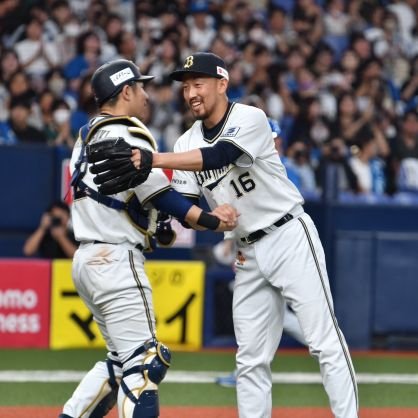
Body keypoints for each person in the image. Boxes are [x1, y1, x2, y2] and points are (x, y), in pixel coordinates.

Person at [121, 52, 359, 418]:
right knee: (249, 360)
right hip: (247, 251)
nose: (191, 93)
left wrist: (152, 159)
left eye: (198, 84)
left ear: (221, 84)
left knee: (324, 342)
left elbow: (219, 156)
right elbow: (187, 211)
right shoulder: (185, 142)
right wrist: (207, 218)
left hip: (288, 234)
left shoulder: (250, 117)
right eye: (186, 87)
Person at [59, 58, 238, 418]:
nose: (146, 93)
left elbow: (133, 203)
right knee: (145, 363)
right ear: (125, 91)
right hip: (115, 259)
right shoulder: (130, 129)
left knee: (119, 363)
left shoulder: (87, 135)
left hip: (88, 259)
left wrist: (157, 226)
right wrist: (211, 220)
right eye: (140, 87)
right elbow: (163, 197)